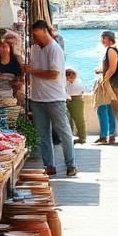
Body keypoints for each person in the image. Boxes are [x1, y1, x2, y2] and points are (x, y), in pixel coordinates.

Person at [23, 19, 77, 177]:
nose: (34, 39)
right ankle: (49, 166)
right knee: (43, 135)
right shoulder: (34, 48)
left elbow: (54, 74)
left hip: (55, 99)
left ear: (44, 32)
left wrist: (31, 71)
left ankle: (71, 164)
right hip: (37, 99)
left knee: (64, 133)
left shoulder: (55, 49)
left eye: (35, 35)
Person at [95, 30, 118, 144]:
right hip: (112, 83)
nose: (102, 40)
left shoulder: (111, 50)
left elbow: (112, 68)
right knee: (114, 109)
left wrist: (104, 80)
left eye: (103, 38)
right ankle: (114, 135)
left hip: (113, 84)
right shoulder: (110, 50)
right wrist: (100, 71)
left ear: (109, 39)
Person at [64, 69, 87, 144]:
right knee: (73, 119)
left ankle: (81, 137)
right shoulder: (70, 82)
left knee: (78, 119)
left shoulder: (74, 82)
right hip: (72, 99)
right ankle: (78, 136)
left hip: (75, 99)